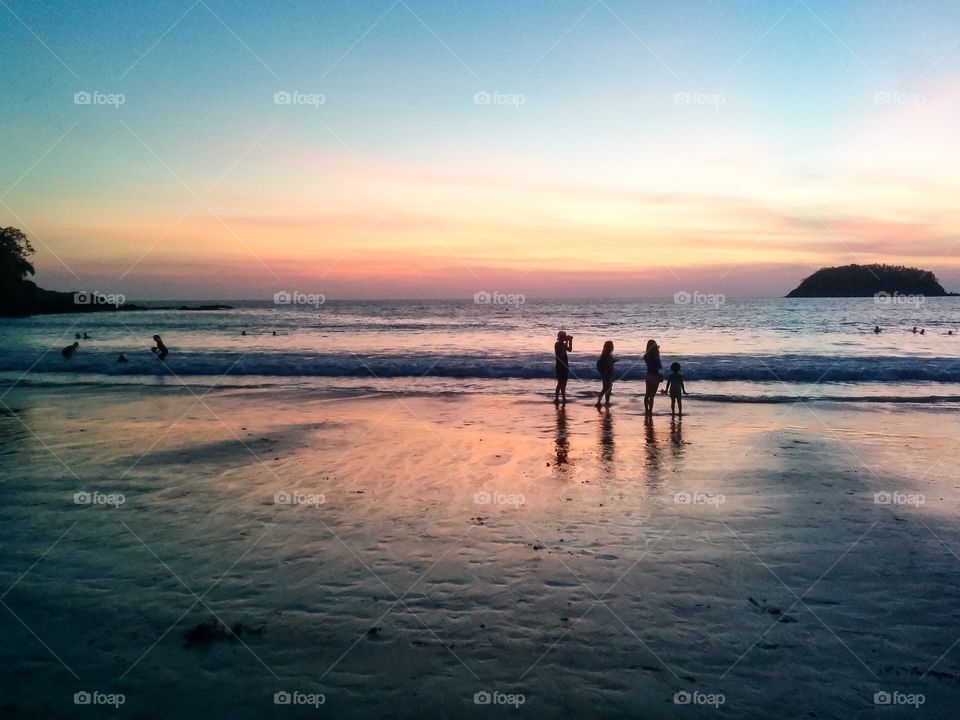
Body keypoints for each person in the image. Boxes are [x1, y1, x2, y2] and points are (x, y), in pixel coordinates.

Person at [643, 339, 662, 415]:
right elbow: (659, 366)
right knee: (652, 396)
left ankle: (646, 409)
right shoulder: (655, 356)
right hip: (655, 376)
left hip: (648, 376)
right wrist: (657, 351)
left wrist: (656, 349)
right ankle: (650, 411)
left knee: (647, 394)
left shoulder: (646, 356)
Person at [594, 341, 617, 407]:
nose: (613, 347)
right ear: (609, 347)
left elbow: (607, 364)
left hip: (605, 374)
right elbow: (608, 366)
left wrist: (613, 362)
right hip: (607, 374)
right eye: (612, 346)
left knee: (607, 389)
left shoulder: (606, 355)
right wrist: (612, 374)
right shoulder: (607, 356)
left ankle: (605, 402)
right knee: (606, 389)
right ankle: (600, 402)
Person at [554, 331, 573, 404]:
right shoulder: (557, 344)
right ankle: (556, 398)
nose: (564, 338)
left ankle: (563, 397)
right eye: (563, 336)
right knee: (560, 383)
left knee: (564, 383)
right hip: (559, 366)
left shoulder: (563, 344)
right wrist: (566, 342)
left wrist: (570, 341)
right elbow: (561, 354)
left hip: (565, 365)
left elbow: (570, 349)